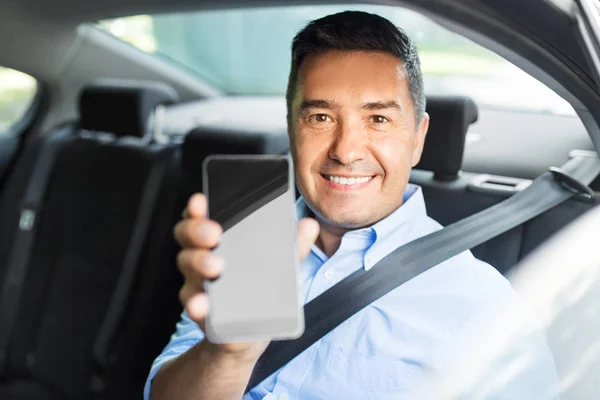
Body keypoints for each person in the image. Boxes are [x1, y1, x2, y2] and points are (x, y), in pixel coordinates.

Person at [146, 11, 559, 400]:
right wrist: (226, 356)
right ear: (292, 129)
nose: (345, 151)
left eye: (378, 119)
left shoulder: (486, 308)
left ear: (417, 138)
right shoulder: (246, 247)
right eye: (321, 118)